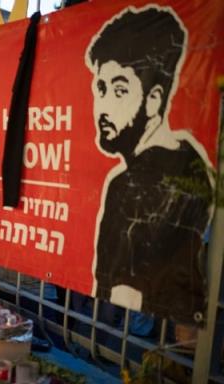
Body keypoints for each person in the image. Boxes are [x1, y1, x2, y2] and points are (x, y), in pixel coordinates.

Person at [86, 6, 213, 323]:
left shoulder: (136, 183)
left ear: (154, 98)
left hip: (131, 346)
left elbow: (117, 297)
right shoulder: (188, 157)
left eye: (120, 90)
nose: (104, 107)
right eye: (100, 89)